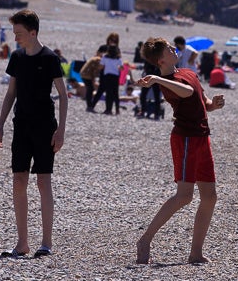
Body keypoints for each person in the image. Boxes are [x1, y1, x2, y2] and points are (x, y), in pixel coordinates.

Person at [134, 36, 225, 265]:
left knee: (210, 196)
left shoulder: (188, 73)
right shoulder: (168, 83)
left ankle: (196, 253)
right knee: (185, 196)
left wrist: (214, 105)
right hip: (184, 139)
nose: (174, 49)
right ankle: (145, 239)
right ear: (161, 60)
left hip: (202, 137)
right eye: (169, 49)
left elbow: (202, 101)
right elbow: (185, 92)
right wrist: (157, 79)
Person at [0, 10, 67, 258]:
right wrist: (0, 124)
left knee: (43, 181)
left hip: (45, 126)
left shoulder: (50, 58)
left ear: (33, 32)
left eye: (19, 33)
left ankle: (46, 243)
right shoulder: (16, 57)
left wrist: (61, 130)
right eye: (14, 33)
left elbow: (63, 96)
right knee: (19, 180)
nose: (15, 38)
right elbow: (10, 94)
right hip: (21, 125)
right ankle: (22, 243)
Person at [96, 43, 123, 115]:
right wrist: (116, 68)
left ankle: (108, 109)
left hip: (107, 76)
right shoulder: (118, 58)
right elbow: (121, 68)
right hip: (115, 77)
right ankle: (117, 110)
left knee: (108, 93)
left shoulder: (105, 57)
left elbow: (101, 67)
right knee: (115, 93)